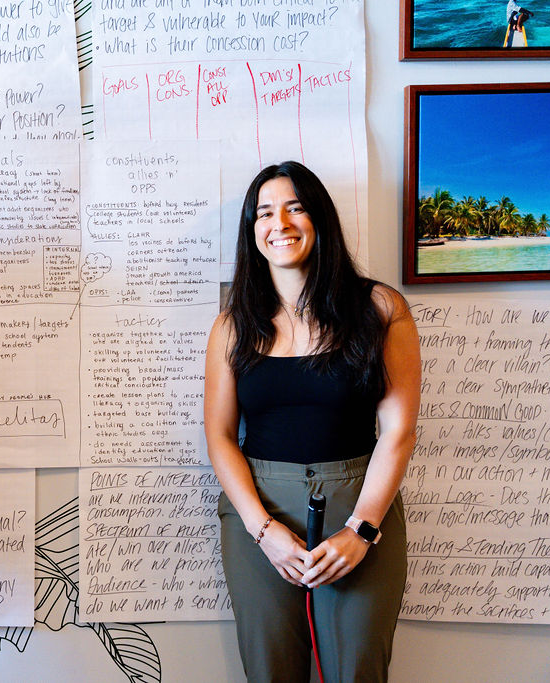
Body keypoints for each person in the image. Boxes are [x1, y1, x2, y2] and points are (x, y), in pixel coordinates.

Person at [204, 162, 419, 682]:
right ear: (252, 231)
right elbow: (219, 436)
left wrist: (362, 531)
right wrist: (264, 531)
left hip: (358, 501)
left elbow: (399, 431)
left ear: (319, 217)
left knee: (357, 669)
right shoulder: (233, 325)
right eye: (264, 212)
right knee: (270, 671)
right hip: (259, 512)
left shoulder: (380, 308)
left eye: (295, 207)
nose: (280, 222)